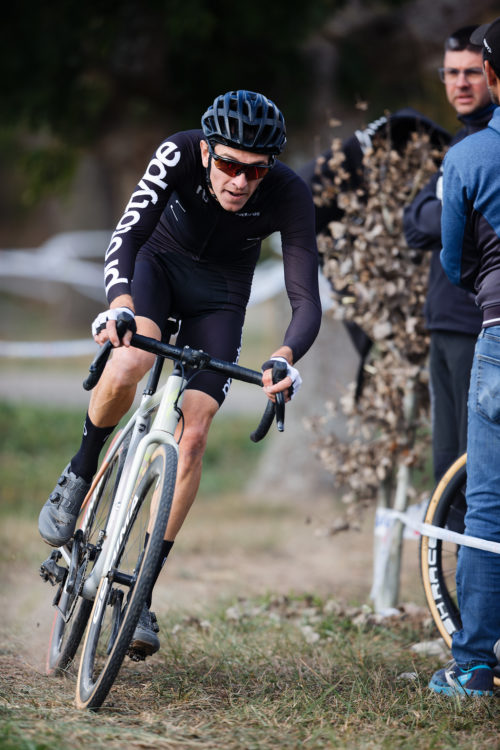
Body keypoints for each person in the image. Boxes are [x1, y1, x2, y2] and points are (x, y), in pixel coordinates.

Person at [38, 90, 322, 656]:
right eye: (228, 165)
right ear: (209, 150)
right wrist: (119, 301)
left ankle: (140, 592)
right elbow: (128, 233)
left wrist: (284, 357)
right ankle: (82, 464)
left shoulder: (289, 192)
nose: (240, 181)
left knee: (194, 433)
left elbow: (305, 298)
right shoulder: (178, 152)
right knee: (133, 359)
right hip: (157, 268)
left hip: (220, 296)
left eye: (255, 170)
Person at [429, 18, 500, 697]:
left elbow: (453, 261)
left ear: (492, 75)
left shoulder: (471, 156)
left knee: (487, 509)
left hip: (499, 334)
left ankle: (474, 666)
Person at [403, 25, 496, 484]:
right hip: (443, 321)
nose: (460, 83)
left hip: (474, 321)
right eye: (451, 72)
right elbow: (413, 224)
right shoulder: (459, 144)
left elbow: (429, 221)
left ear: (492, 74)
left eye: (472, 73)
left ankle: (467, 558)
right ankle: (453, 554)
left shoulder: (486, 146)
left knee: (466, 465)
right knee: (445, 464)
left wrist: (439, 209)